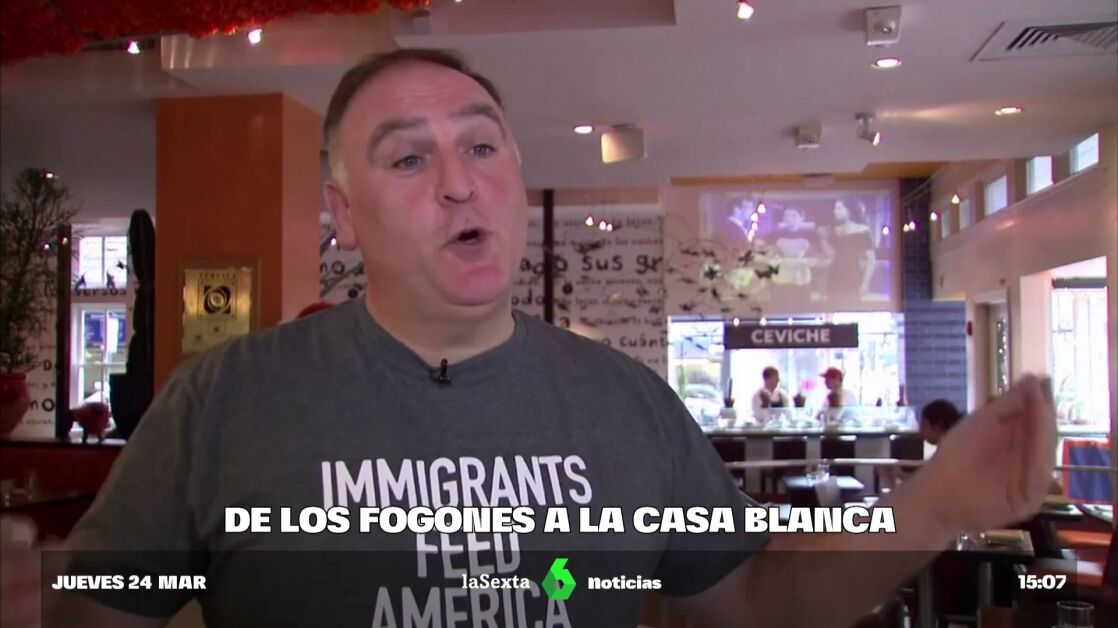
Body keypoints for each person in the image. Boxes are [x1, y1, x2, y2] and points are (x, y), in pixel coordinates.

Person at [2, 48, 1058, 628]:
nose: (458, 181)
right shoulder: (225, 400)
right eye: (407, 158)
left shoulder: (626, 403)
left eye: (482, 147)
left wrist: (932, 507)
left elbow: (753, 598)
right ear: (342, 213)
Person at [819, 199, 876, 299]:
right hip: (834, 277)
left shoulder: (862, 230)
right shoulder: (833, 230)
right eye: (835, 208)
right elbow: (829, 254)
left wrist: (865, 283)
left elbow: (871, 260)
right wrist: (823, 238)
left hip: (853, 277)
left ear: (849, 210)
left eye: (839, 208)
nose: (835, 211)